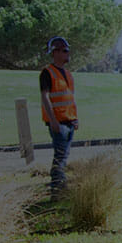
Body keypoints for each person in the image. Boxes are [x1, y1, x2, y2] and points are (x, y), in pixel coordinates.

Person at [39, 36, 78, 195]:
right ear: (55, 52)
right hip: (58, 124)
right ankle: (57, 190)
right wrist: (53, 121)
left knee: (64, 155)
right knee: (60, 157)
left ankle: (60, 187)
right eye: (64, 50)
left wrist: (75, 118)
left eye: (68, 50)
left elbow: (69, 99)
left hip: (69, 122)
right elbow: (45, 97)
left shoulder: (68, 74)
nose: (68, 53)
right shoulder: (47, 73)